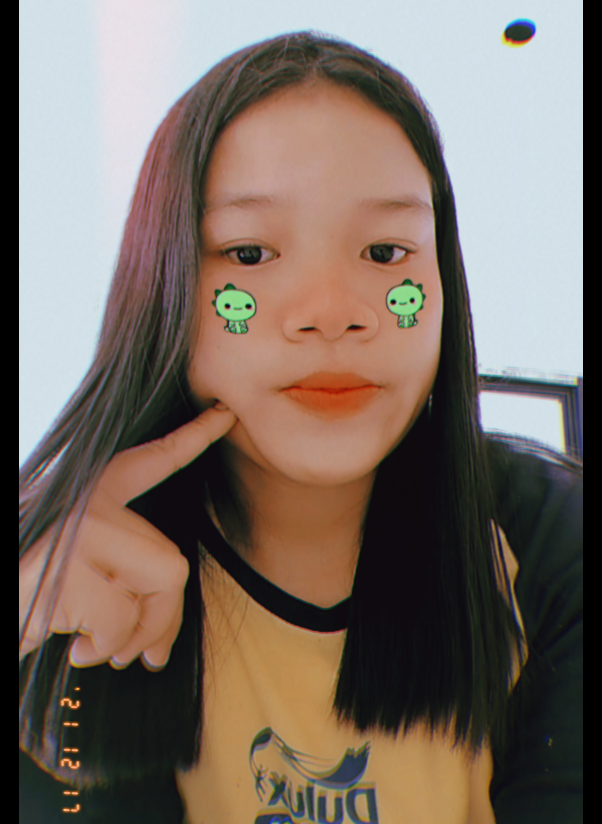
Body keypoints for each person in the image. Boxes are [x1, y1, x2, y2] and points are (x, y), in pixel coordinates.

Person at [19, 31, 583, 824]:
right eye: (249, 253)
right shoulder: (76, 572)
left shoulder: (553, 549)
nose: (329, 313)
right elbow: (72, 794)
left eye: (385, 251)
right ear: (163, 284)